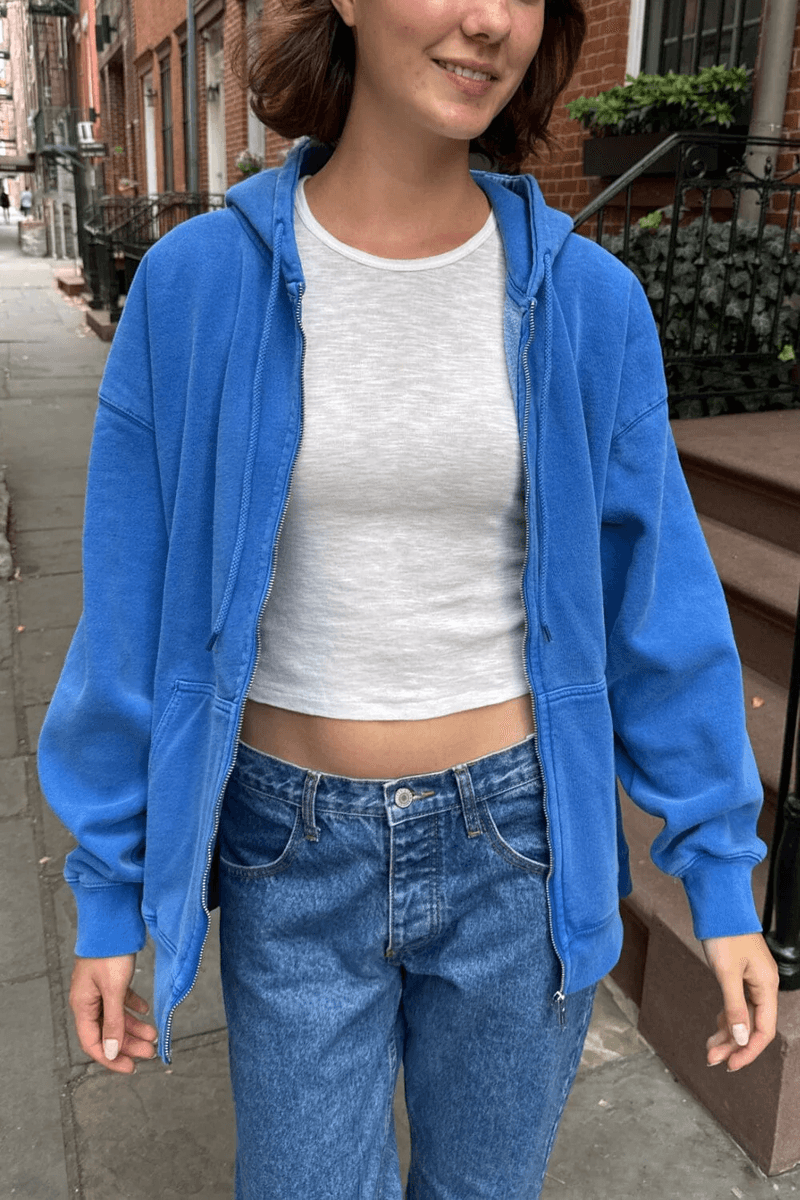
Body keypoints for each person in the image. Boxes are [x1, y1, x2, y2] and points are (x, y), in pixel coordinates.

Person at [37, 0, 780, 1196]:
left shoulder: (584, 304)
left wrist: (718, 878)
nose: (486, 20)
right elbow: (130, 612)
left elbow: (659, 606)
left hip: (519, 847)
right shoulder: (196, 290)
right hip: (286, 851)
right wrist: (113, 890)